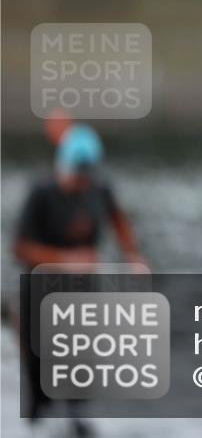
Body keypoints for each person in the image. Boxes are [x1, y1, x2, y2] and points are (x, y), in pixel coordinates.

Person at [14, 123, 145, 435]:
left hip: (82, 290)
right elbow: (20, 248)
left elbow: (118, 220)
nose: (81, 184)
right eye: (76, 176)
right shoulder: (42, 193)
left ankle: (76, 415)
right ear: (63, 167)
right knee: (38, 373)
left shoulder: (99, 190)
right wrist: (64, 260)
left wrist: (134, 256)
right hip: (42, 290)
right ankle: (36, 417)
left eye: (86, 177)